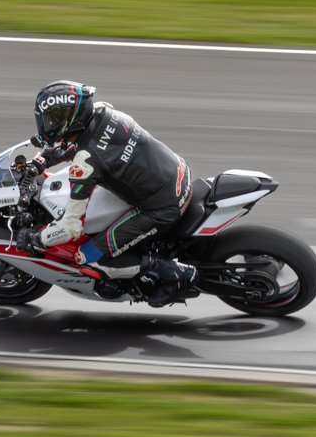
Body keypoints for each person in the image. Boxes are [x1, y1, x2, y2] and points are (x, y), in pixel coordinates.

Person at [15, 80, 200, 307]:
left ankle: (172, 272)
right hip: (178, 172)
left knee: (87, 258)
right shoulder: (104, 111)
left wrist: (37, 240)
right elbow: (84, 145)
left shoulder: (86, 163)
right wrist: (43, 160)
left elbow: (71, 227)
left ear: (70, 118)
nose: (47, 125)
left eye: (52, 119)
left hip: (162, 207)